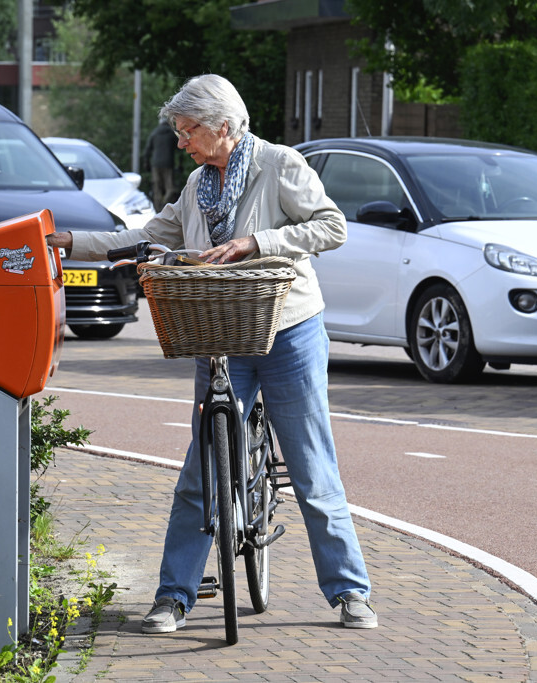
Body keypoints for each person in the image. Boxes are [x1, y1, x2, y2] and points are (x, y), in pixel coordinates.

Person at [45, 74, 376, 633]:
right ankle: (173, 596)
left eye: (188, 130)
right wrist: (71, 242)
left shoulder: (279, 165)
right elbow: (147, 234)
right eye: (178, 131)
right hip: (218, 331)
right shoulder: (198, 183)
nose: (181, 142)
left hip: (288, 329)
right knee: (201, 470)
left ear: (223, 126)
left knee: (311, 465)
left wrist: (258, 242)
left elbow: (332, 226)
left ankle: (350, 591)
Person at [142, 120, 179, 211]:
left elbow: (147, 150)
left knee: (157, 188)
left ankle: (158, 209)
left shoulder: (154, 133)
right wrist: (180, 164)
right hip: (168, 164)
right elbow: (179, 149)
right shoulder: (171, 134)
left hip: (155, 165)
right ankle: (165, 204)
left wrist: (146, 162)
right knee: (170, 188)